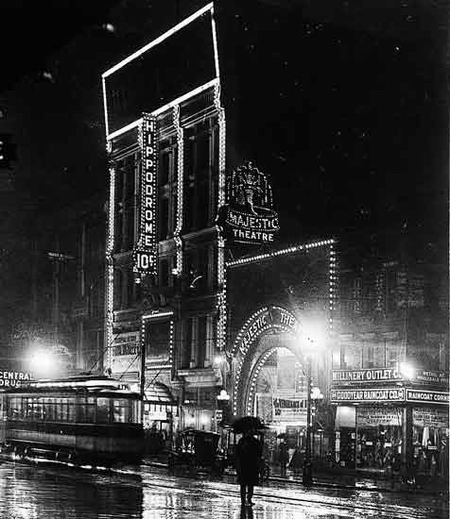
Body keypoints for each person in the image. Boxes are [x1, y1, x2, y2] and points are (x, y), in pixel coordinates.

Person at [235, 429, 263, 507]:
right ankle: (249, 499)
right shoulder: (256, 442)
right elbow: (259, 454)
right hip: (252, 465)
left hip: (243, 464)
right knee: (250, 484)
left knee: (243, 484)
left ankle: (243, 500)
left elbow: (237, 454)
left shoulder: (242, 441)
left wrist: (238, 465)